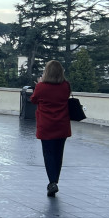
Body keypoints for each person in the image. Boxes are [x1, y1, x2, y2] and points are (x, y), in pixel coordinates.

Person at [30, 60, 71, 196]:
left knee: (48, 154)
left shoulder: (41, 87)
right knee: (59, 154)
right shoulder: (66, 86)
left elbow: (33, 99)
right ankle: (55, 181)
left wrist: (39, 84)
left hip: (46, 125)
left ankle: (52, 182)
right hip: (62, 125)